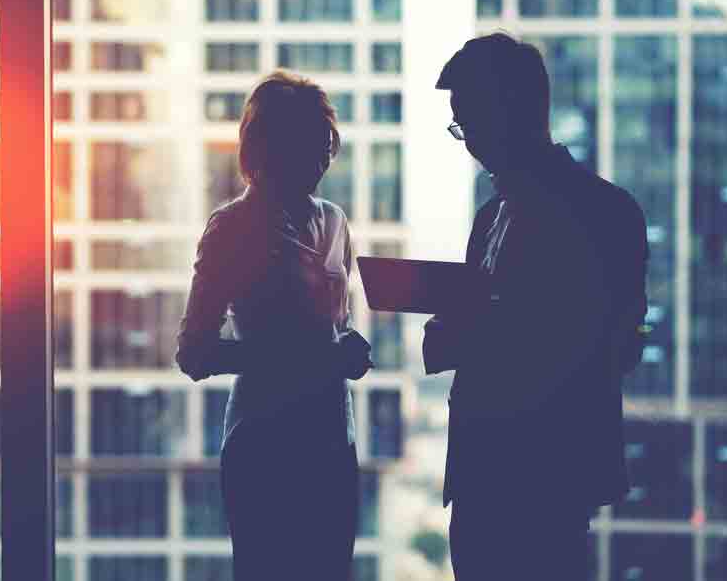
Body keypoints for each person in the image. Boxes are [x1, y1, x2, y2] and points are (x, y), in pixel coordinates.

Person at [423, 33, 649, 579]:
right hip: (485, 472)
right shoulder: (493, 217)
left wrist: (471, 336)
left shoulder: (603, 212)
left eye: (470, 124)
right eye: (461, 128)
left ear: (513, 110)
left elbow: (609, 344)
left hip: (545, 475)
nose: (469, 142)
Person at [175, 71, 374, 581]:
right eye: (307, 145)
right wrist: (301, 357)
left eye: (324, 145)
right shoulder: (231, 228)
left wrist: (347, 348)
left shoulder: (334, 221)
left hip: (331, 437)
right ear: (265, 149)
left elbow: (334, 326)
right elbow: (193, 354)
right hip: (265, 442)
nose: (321, 159)